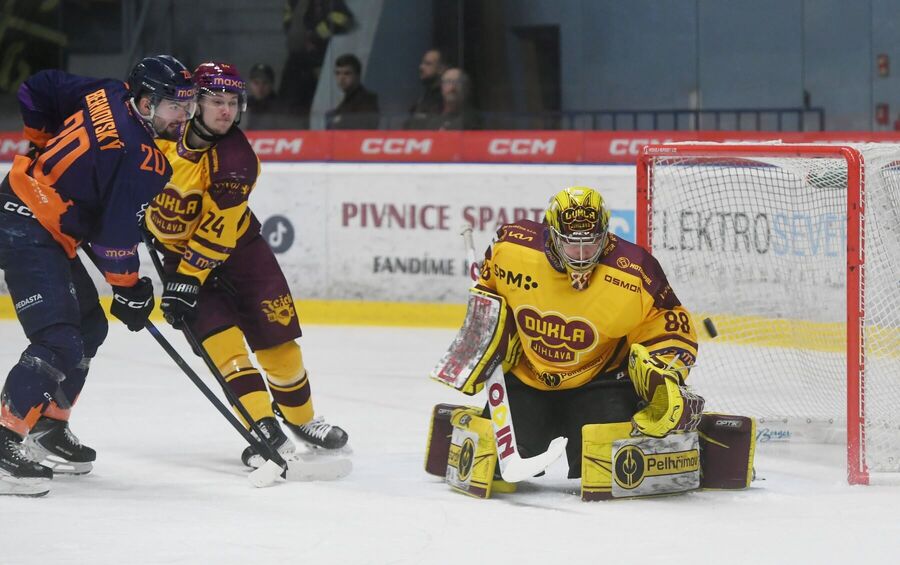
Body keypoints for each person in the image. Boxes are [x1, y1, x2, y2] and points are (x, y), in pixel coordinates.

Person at [0, 55, 197, 497]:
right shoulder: (145, 160)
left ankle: (48, 428)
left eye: (188, 107)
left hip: (37, 214)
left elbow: (38, 85)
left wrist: (39, 143)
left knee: (89, 326)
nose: (183, 117)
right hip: (25, 221)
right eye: (174, 107)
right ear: (146, 102)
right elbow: (114, 237)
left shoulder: (107, 92)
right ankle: (3, 438)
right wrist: (130, 288)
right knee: (59, 339)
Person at [144, 61, 349, 469]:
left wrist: (185, 281)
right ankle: (261, 426)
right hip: (179, 259)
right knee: (223, 349)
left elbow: (217, 233)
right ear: (194, 104)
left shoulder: (236, 159)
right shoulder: (164, 133)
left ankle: (302, 420)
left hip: (241, 254)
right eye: (216, 101)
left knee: (280, 348)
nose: (225, 110)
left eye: (232, 102)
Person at [461, 187, 700, 480]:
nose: (583, 255)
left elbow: (668, 320)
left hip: (599, 382)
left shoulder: (635, 271)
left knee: (608, 468)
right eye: (573, 245)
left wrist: (666, 368)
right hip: (527, 378)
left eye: (592, 243)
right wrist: (484, 335)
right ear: (551, 234)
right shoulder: (512, 248)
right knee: (494, 468)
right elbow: (488, 295)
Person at [325, 53, 379, 130]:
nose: (341, 78)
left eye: (347, 73)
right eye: (338, 73)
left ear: (358, 75)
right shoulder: (345, 102)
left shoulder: (367, 101)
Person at [404, 48, 446, 129]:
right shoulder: (422, 96)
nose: (421, 67)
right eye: (422, 63)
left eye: (428, 64)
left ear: (440, 69)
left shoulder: (445, 98)